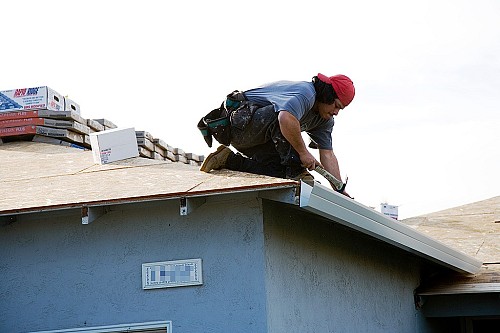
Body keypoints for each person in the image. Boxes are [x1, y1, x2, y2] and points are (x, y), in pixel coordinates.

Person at [197, 73, 355, 197]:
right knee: (283, 116)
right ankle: (296, 172)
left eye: (340, 109)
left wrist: (338, 188)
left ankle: (227, 159)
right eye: (336, 105)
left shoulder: (325, 120)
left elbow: (327, 154)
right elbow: (285, 118)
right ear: (327, 95)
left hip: (259, 138)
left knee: (281, 173)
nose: (336, 112)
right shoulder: (306, 94)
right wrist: (303, 154)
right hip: (239, 125)